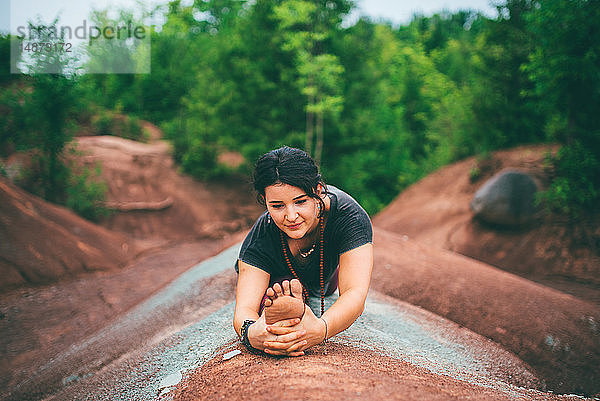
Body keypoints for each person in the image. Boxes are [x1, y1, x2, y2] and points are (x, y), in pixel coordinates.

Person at [233, 146, 373, 356]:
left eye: (300, 202)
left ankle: (295, 291)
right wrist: (253, 334)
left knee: (329, 284)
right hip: (275, 273)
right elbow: (244, 310)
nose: (291, 216)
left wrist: (320, 330)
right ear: (264, 200)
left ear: (317, 191)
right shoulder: (261, 236)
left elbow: (355, 293)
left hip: (327, 273)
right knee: (276, 285)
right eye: (278, 206)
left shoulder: (349, 217)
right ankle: (286, 292)